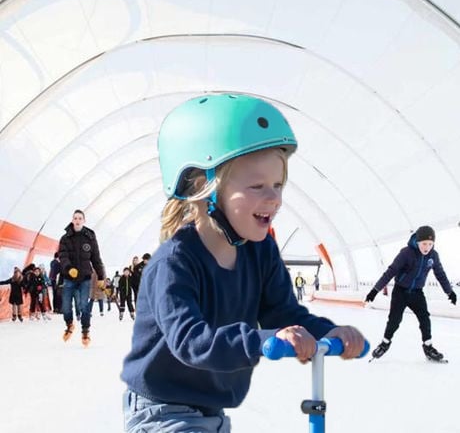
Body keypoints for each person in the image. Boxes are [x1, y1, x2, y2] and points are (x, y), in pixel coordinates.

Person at [121, 93, 365, 432]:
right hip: (162, 411)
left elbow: (284, 313)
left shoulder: (260, 251)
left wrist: (328, 332)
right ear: (203, 187)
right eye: (257, 186)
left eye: (278, 185)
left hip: (211, 412)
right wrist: (262, 339)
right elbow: (191, 341)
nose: (274, 198)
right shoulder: (175, 262)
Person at [365, 225, 456, 362]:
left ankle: (428, 346)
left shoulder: (433, 256)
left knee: (424, 318)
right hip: (400, 291)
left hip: (417, 293)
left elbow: (440, 275)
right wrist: (374, 291)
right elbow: (390, 272)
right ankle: (385, 342)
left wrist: (450, 292)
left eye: (430, 244)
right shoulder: (406, 253)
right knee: (395, 320)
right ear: (417, 242)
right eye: (424, 243)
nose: (427, 247)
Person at [58, 209, 106, 346]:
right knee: (66, 307)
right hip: (69, 277)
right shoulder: (65, 238)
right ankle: (69, 325)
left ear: (84, 221)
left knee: (84, 306)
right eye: (75, 218)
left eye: (80, 218)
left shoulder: (90, 237)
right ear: (72, 220)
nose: (77, 220)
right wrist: (68, 268)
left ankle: (85, 331)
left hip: (85, 277)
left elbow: (96, 258)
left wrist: (101, 276)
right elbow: (62, 255)